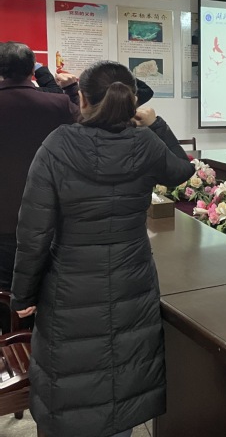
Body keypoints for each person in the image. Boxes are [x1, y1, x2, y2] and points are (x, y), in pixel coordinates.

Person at [11, 60, 194, 437]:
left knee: (71, 387)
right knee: (122, 381)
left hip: (70, 287)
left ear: (81, 98)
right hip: (132, 283)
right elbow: (182, 170)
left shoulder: (57, 145)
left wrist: (23, 294)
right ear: (131, 102)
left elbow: (34, 231)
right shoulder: (145, 142)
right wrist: (156, 123)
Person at [0, 42, 78, 298]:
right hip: (48, 218)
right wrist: (71, 90)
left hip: (3, 222)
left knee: (6, 295)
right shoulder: (58, 104)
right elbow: (85, 124)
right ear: (32, 69)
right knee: (47, 292)